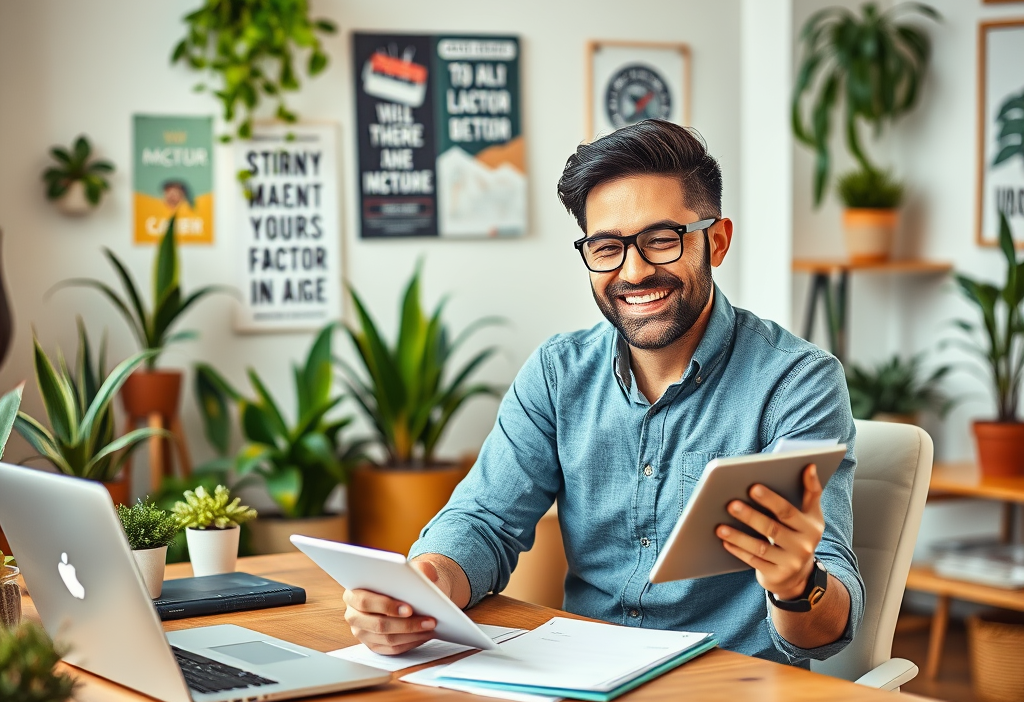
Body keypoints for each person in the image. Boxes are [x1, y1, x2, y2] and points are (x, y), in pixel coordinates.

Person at [344, 120, 863, 667]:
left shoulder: (797, 382)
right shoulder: (557, 372)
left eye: (662, 240)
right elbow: (485, 521)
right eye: (608, 247)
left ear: (716, 240)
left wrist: (795, 584)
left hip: (729, 697)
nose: (634, 271)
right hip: (583, 685)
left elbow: (825, 631)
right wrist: (427, 584)